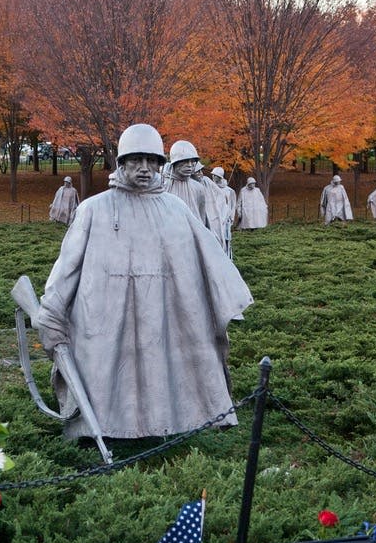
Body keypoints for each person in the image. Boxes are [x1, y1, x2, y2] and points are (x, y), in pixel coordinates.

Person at [33, 123, 253, 440]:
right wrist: (51, 312)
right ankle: (104, 433)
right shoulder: (93, 210)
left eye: (152, 162)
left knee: (161, 370)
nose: (145, 169)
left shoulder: (176, 210)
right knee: (109, 375)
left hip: (163, 318)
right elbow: (66, 269)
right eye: (137, 160)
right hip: (104, 322)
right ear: (121, 163)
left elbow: (210, 265)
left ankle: (167, 427)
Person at [163, 140, 226, 248]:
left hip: (192, 241)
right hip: (168, 241)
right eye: (185, 161)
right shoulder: (163, 185)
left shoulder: (198, 188)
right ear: (175, 162)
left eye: (193, 161)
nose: (190, 165)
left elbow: (202, 219)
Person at [210, 167, 236, 257]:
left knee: (224, 239)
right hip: (213, 219)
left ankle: (226, 257)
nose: (213, 177)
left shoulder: (228, 191)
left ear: (220, 177)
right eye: (213, 175)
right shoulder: (210, 188)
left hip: (225, 220)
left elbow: (233, 205)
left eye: (215, 175)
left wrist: (231, 218)